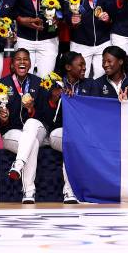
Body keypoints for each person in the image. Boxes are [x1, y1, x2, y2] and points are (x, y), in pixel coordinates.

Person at [0, 49, 49, 204]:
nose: (22, 62)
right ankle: (29, 191)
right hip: (12, 133)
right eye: (18, 59)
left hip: (36, 129)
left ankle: (18, 164)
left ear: (30, 64)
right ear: (12, 65)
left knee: (31, 124)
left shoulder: (39, 83)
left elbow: (45, 115)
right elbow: (1, 121)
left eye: (25, 59)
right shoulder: (3, 84)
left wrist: (31, 109)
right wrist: (3, 118)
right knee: (31, 144)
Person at [48, 51, 95, 204]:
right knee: (70, 140)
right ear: (68, 67)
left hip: (84, 134)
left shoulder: (91, 84)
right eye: (80, 65)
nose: (84, 68)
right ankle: (69, 191)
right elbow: (46, 116)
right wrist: (55, 100)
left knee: (75, 140)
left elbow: (97, 110)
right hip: (59, 132)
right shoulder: (55, 85)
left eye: (85, 65)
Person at [11, 0, 65, 77]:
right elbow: (11, 9)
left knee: (45, 80)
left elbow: (63, 10)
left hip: (48, 41)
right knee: (21, 78)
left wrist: (58, 18)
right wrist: (21, 20)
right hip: (24, 39)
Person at [64, 0, 113, 78]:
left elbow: (114, 9)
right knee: (79, 79)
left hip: (103, 42)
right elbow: (65, 11)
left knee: (102, 80)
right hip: (80, 43)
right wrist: (71, 19)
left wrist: (108, 18)